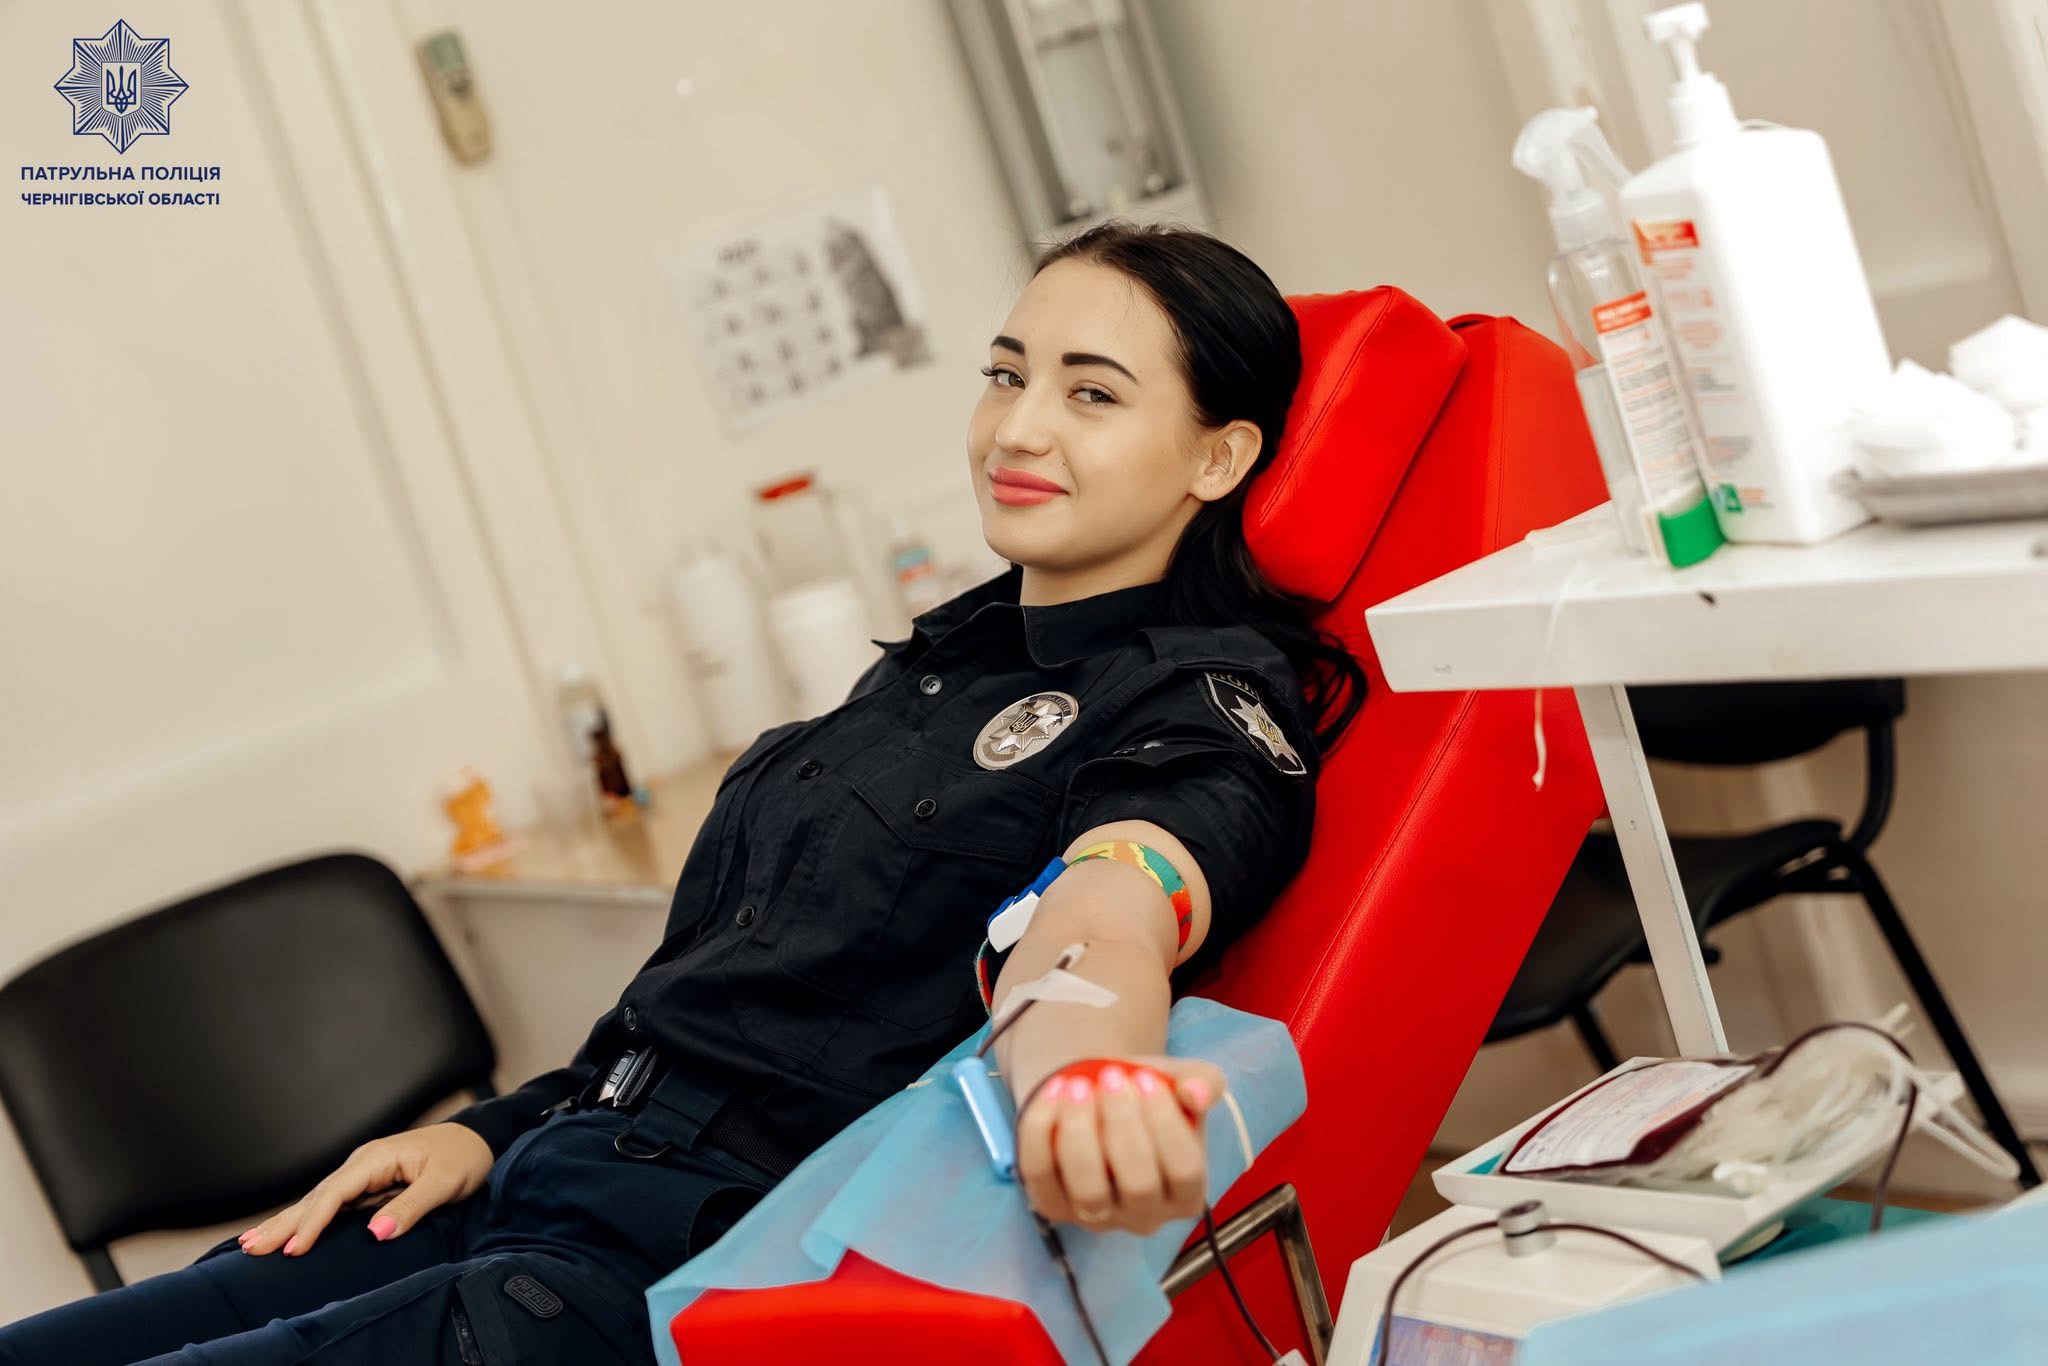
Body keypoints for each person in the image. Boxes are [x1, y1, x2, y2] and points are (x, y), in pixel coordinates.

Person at [0, 221, 1365, 1365]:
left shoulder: (1200, 703)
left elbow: (1107, 913)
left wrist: (1083, 1080)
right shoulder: (942, 662)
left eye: (1092, 394)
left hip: (655, 1268)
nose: (1017, 425)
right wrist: (487, 1134)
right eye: (1005, 374)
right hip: (532, 1176)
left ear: (1218, 457)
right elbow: (721, 1004)